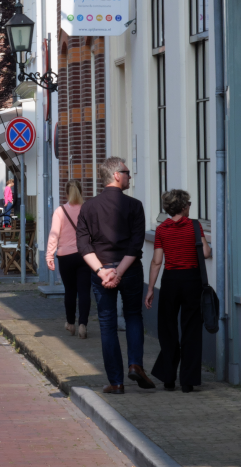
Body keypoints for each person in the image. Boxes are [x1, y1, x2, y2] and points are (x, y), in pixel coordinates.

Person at [75, 156, 151, 394]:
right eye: (127, 172)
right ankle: (135, 363)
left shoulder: (88, 207)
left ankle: (116, 382)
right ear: (116, 175)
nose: (130, 176)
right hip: (128, 270)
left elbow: (83, 245)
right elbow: (136, 246)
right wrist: (118, 271)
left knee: (107, 324)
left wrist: (102, 271)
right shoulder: (135, 206)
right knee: (133, 316)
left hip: (102, 271)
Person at [146, 189, 211, 393]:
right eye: (189, 204)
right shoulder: (194, 225)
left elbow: (157, 262)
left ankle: (168, 378)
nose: (190, 206)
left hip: (170, 281)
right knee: (191, 329)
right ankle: (188, 381)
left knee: (168, 329)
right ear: (183, 207)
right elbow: (206, 253)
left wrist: (150, 289)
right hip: (192, 280)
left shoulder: (162, 229)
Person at [46, 179, 91, 339]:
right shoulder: (87, 209)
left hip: (65, 257)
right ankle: (83, 325)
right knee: (85, 291)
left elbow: (54, 235)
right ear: (81, 191)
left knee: (70, 291)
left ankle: (70, 323)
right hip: (85, 256)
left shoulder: (60, 211)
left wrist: (49, 255)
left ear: (66, 193)